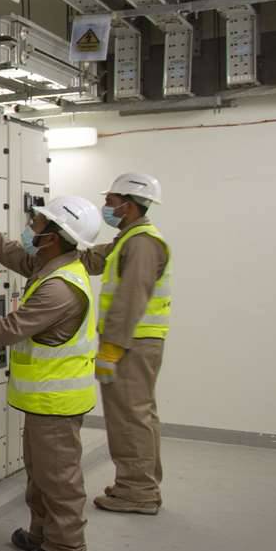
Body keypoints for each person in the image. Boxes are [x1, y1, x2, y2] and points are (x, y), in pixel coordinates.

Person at [0, 195, 102, 551]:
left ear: (52, 237)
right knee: (41, 474)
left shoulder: (60, 288)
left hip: (56, 402)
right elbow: (8, 251)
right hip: (45, 400)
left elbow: (8, 330)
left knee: (59, 478)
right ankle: (42, 534)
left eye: (37, 222)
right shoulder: (51, 265)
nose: (29, 226)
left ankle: (68, 550)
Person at [80, 173, 170, 514]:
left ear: (128, 206)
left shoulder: (142, 243)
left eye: (110, 201)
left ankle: (138, 492)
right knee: (137, 415)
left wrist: (111, 348)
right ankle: (137, 485)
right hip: (134, 343)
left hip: (131, 345)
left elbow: (131, 297)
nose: (106, 207)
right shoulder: (129, 239)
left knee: (130, 418)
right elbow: (92, 259)